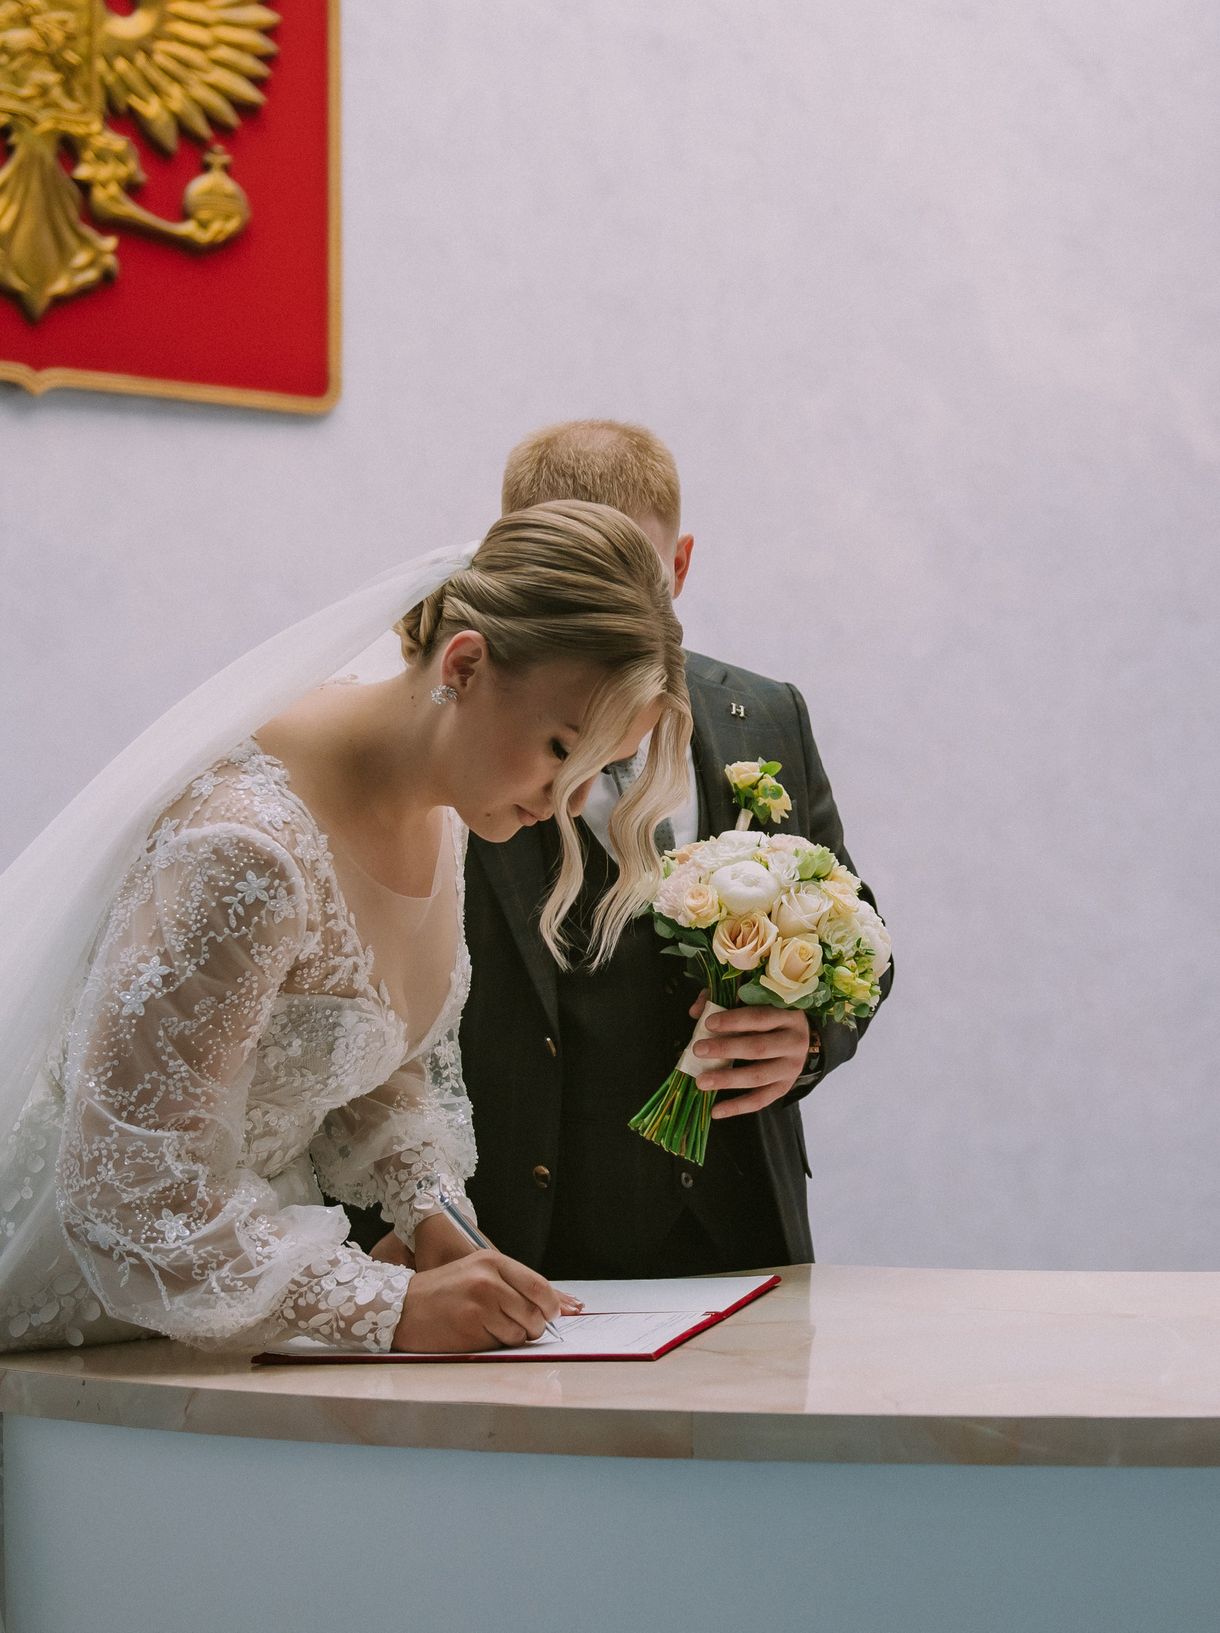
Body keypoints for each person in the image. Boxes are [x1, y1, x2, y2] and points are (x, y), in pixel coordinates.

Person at [0, 503, 689, 1632]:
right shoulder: (245, 844)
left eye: (594, 773)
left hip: (208, 1280)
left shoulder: (447, 806)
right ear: (463, 663)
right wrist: (388, 1309)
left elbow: (370, 1051)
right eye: (561, 749)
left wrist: (425, 1209)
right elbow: (129, 1193)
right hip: (68, 1286)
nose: (562, 805)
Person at [368, 420, 890, 1279]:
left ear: (679, 567)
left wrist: (808, 1035)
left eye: (631, 571)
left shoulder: (765, 714)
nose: (600, 597)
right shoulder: (446, 725)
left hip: (735, 1233)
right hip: (497, 1239)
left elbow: (858, 928)